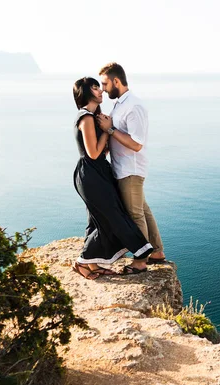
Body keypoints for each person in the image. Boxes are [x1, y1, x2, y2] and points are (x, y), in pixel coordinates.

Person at [72, 76, 153, 279]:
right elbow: (92, 153)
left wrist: (106, 131)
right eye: (96, 88)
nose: (101, 91)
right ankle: (83, 262)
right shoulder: (86, 118)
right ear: (86, 92)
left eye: (100, 87)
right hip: (91, 174)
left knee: (97, 220)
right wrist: (108, 131)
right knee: (110, 218)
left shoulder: (93, 116)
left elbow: (102, 153)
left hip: (98, 172)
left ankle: (93, 264)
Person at [95, 63, 166, 271]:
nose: (103, 88)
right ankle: (157, 252)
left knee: (135, 215)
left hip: (131, 170)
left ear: (117, 81)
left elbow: (136, 143)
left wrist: (110, 129)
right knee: (143, 210)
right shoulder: (120, 104)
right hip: (124, 169)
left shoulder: (134, 106)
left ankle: (141, 261)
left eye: (105, 83)